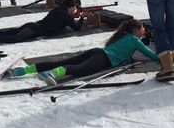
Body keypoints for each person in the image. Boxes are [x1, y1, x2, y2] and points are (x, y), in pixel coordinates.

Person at [9, 19, 159, 85]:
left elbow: (137, 45)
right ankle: (52, 74)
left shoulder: (125, 35)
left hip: (96, 52)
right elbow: (150, 54)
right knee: (79, 70)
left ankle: (22, 71)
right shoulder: (135, 40)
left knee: (62, 62)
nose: (144, 30)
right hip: (103, 59)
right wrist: (164, 57)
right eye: (142, 29)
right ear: (136, 30)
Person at [0, 0, 84, 45]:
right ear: (71, 7)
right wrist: (82, 17)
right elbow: (76, 27)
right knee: (15, 39)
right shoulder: (65, 15)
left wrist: (75, 16)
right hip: (35, 29)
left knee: (4, 32)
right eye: (74, 7)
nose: (75, 9)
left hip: (33, 26)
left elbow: (64, 22)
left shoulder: (58, 10)